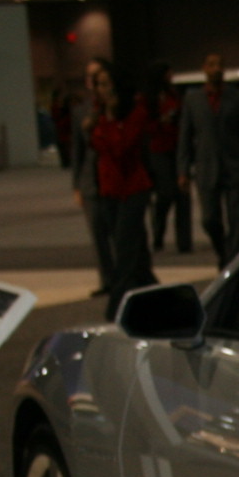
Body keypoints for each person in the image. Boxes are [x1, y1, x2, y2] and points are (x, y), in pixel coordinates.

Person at [82, 60, 157, 314]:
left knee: (125, 250)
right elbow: (96, 149)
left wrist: (107, 124)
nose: (100, 90)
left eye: (105, 84)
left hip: (132, 189)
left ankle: (115, 307)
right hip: (109, 190)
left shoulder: (135, 113)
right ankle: (153, 295)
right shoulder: (99, 116)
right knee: (134, 254)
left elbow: (120, 149)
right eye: (98, 85)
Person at [178, 52, 239, 268]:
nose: (217, 69)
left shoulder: (237, 99)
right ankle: (223, 250)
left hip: (235, 167)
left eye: (220, 65)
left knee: (237, 221)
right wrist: (183, 171)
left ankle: (233, 262)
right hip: (206, 167)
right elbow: (185, 137)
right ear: (204, 69)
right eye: (212, 65)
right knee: (209, 219)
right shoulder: (192, 99)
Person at [67, 58, 114, 297]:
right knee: (98, 234)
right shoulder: (80, 111)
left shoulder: (116, 107)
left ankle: (122, 279)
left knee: (116, 233)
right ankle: (106, 280)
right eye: (90, 77)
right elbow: (77, 151)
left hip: (114, 179)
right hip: (90, 181)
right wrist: (76, 185)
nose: (93, 82)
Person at [143, 62, 191, 254]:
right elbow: (145, 126)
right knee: (166, 194)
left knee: (182, 196)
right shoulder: (149, 99)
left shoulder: (174, 96)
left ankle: (184, 242)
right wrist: (160, 122)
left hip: (177, 148)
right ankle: (158, 233)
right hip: (159, 150)